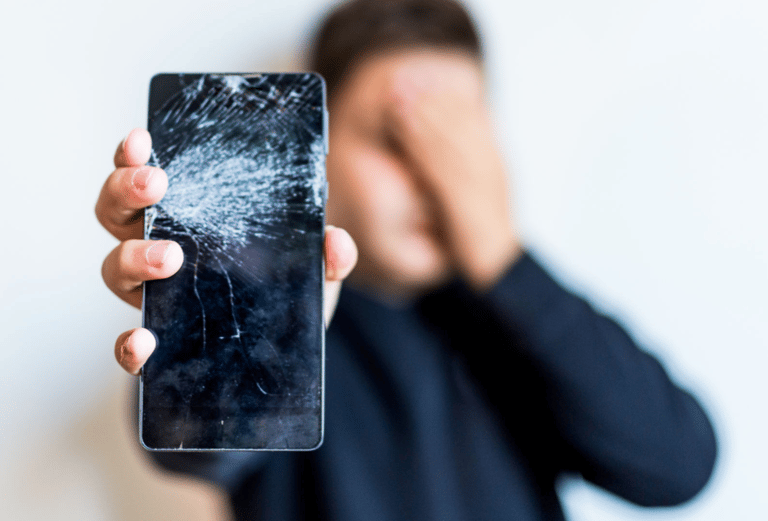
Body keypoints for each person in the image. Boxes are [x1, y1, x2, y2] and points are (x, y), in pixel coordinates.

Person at [95, 0, 717, 519]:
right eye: (397, 139)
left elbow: (677, 466)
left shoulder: (520, 326)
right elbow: (199, 438)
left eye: (455, 141)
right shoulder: (266, 311)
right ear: (320, 155)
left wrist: (501, 256)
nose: (435, 178)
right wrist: (212, 315)